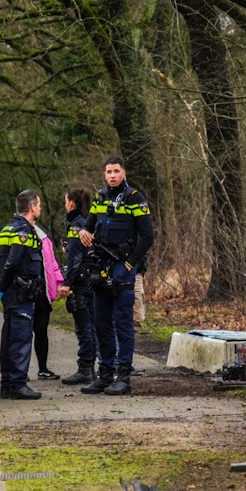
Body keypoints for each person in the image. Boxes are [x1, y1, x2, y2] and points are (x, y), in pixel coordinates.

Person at [78, 156, 154, 396]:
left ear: (124, 173)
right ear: (104, 174)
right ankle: (105, 374)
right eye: (108, 172)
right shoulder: (100, 198)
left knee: (123, 324)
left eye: (116, 171)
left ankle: (123, 377)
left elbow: (147, 236)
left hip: (123, 267)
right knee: (101, 323)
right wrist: (83, 232)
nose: (112, 175)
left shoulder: (135, 198)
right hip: (101, 267)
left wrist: (131, 264)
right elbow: (88, 224)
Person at [0, 189, 46, 400]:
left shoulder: (7, 228)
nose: (40, 208)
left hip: (11, 292)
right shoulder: (23, 230)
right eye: (38, 205)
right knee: (21, 339)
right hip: (20, 292)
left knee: (9, 337)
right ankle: (18, 384)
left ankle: (7, 385)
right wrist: (3, 285)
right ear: (32, 207)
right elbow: (13, 262)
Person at [59, 187, 99, 385]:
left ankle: (85, 369)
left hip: (81, 283)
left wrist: (67, 283)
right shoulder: (88, 222)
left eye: (66, 202)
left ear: (72, 204)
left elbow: (75, 259)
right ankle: (90, 368)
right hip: (91, 280)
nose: (65, 205)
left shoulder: (76, 226)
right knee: (91, 325)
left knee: (83, 327)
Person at [31, 208, 65, 381]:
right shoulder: (14, 234)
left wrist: (58, 283)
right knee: (21, 333)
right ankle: (18, 372)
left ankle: (43, 369)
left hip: (42, 292)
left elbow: (52, 263)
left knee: (41, 330)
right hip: (24, 292)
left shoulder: (43, 238)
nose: (40, 209)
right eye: (38, 205)